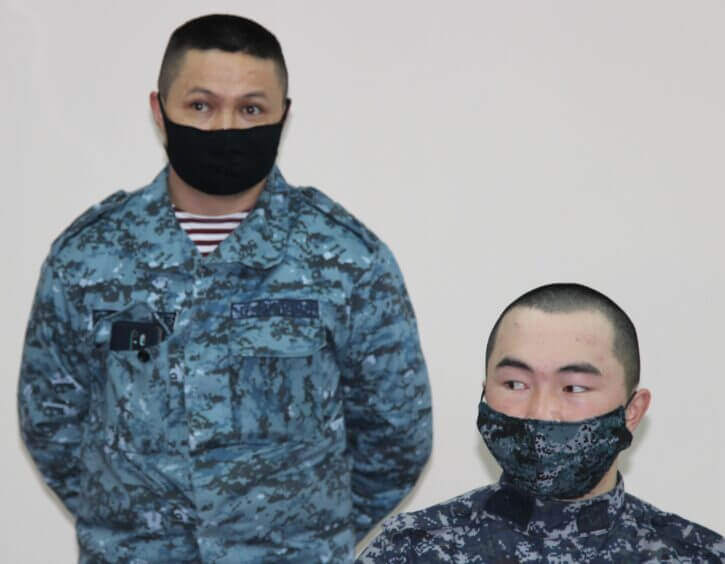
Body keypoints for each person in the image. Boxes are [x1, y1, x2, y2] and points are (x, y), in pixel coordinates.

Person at [18, 14, 432, 563]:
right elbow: (50, 422)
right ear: (159, 111)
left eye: (251, 109)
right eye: (201, 105)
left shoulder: (349, 260)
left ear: (283, 117)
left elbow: (397, 434)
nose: (225, 128)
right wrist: (136, 530)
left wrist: (303, 536)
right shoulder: (87, 257)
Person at [357, 283, 725, 563]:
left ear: (632, 411)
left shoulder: (695, 555)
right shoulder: (410, 550)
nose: (541, 410)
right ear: (486, 392)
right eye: (515, 384)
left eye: (574, 387)